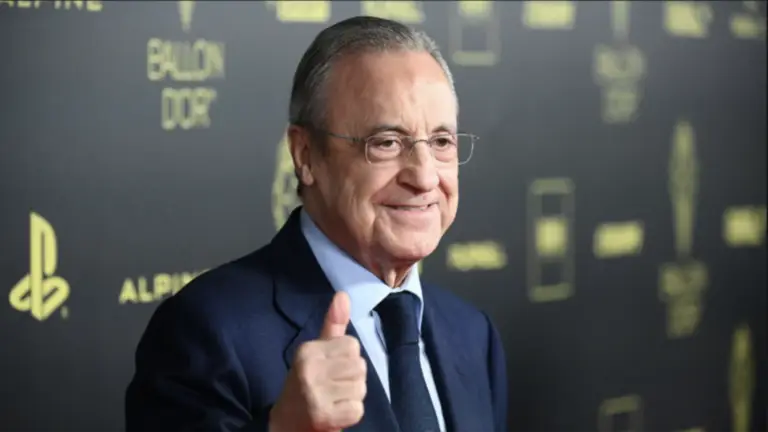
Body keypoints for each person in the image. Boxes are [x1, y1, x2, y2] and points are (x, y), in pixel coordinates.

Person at [125, 15, 507, 432]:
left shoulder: (472, 334)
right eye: (386, 143)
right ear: (305, 155)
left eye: (441, 142)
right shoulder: (207, 331)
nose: (425, 177)